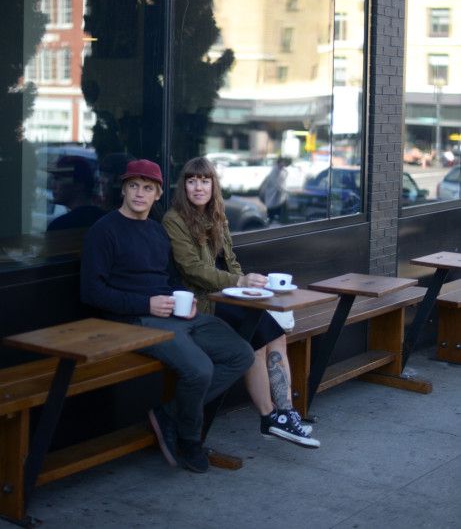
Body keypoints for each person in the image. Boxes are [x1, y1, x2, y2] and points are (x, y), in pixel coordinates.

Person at [80, 159, 254, 473]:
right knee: (199, 369)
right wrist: (147, 304)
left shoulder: (157, 232)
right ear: (123, 189)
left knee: (240, 353)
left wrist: (178, 299)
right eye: (133, 186)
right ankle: (189, 439)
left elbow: (171, 279)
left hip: (171, 314)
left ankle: (170, 414)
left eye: (148, 188)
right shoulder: (103, 231)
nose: (139, 194)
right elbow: (92, 293)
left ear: (158, 193)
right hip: (132, 321)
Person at [163, 156, 320, 448]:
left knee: (276, 335)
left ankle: (285, 411)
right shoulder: (175, 220)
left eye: (205, 181)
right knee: (256, 341)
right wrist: (239, 283)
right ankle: (268, 416)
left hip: (232, 298)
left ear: (213, 185)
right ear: (183, 186)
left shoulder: (218, 217)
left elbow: (231, 262)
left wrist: (249, 287)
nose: (198, 187)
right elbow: (192, 269)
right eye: (192, 181)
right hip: (205, 301)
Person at [259, 157, 289, 222]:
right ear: (279, 163)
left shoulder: (283, 171)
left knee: (280, 206)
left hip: (279, 194)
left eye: (284, 162)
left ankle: (279, 220)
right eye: (282, 162)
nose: (283, 164)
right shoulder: (274, 171)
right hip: (272, 193)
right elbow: (276, 184)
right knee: (271, 208)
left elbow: (283, 182)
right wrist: (285, 190)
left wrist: (284, 190)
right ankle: (270, 220)